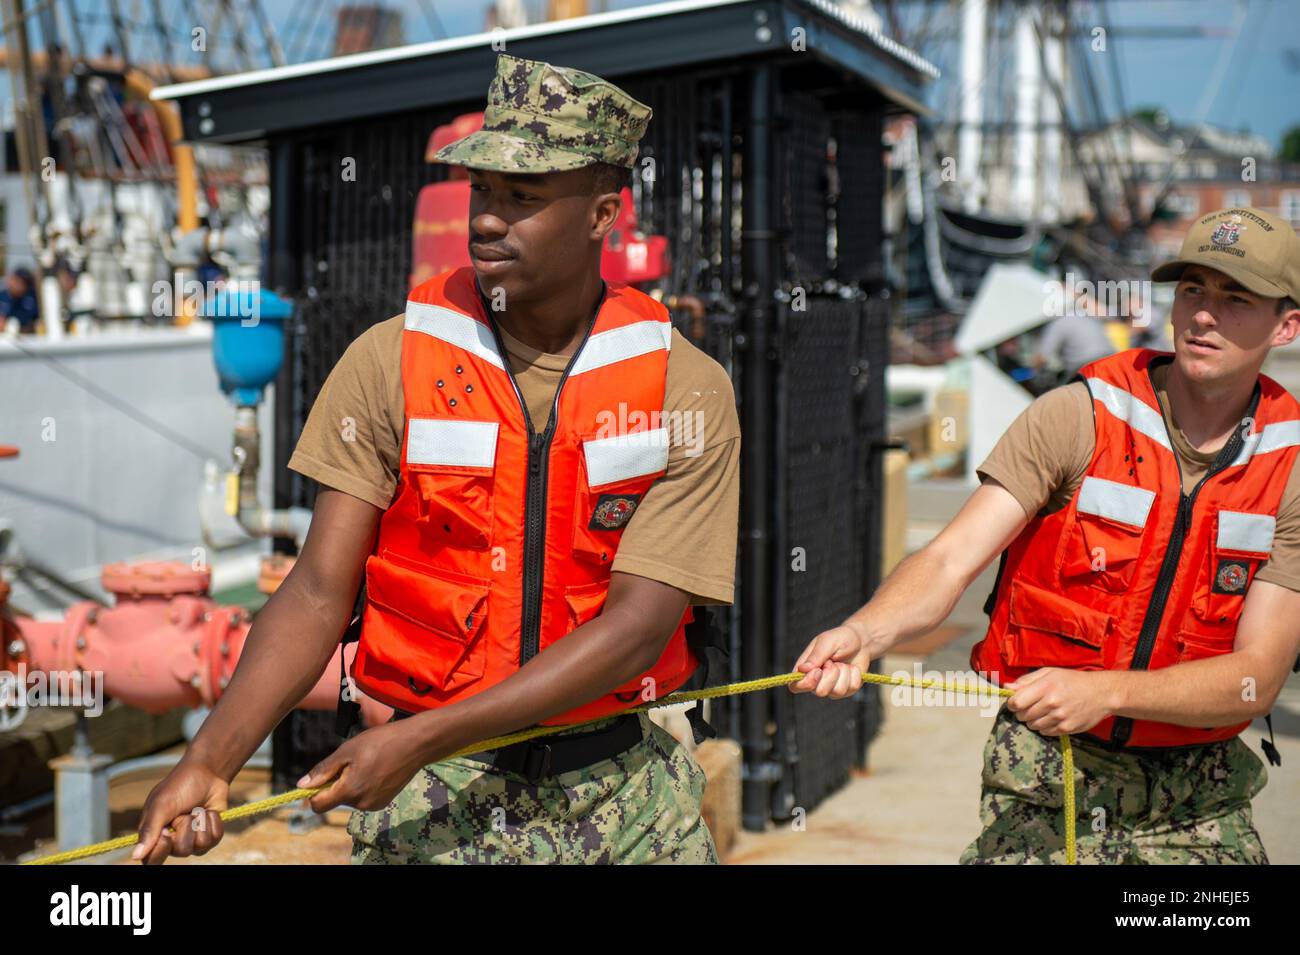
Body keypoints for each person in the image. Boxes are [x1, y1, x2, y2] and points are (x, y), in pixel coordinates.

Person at [132, 53, 740, 865]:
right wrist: (209, 758)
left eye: (522, 197)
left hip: (622, 810)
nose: (487, 219)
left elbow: (638, 629)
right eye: (481, 191)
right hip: (432, 810)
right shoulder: (389, 362)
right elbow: (317, 594)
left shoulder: (685, 389)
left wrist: (420, 739)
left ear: (603, 214)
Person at [792, 206, 1300, 863]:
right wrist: (866, 631)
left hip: (1198, 796)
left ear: (1287, 324)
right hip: (1045, 771)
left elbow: (1256, 677)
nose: (1205, 314)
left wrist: (1108, 691)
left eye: (1237, 299)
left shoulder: (1289, 467)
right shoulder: (1077, 415)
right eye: (1193, 290)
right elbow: (950, 559)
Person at [0, 268, 40, 333]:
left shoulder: (31, 298)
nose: (20, 286)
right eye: (17, 281)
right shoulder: (1, 297)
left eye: (24, 283)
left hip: (29, 337)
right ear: (11, 280)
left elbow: (38, 322)